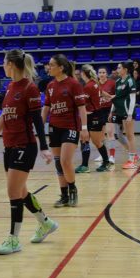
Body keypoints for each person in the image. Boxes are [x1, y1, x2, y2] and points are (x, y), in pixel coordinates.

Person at [0, 49, 58, 255]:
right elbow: (4, 115)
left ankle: (14, 240)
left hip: (24, 146)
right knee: (21, 192)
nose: (2, 66)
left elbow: (37, 121)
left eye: (3, 63)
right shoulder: (10, 87)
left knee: (13, 192)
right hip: (9, 145)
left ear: (11, 64)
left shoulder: (29, 88)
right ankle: (46, 223)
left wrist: (44, 147)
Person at [42, 54, 88, 207]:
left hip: (70, 127)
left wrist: (84, 128)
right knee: (58, 163)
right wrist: (40, 127)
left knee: (65, 160)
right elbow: (46, 108)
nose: (49, 67)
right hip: (54, 127)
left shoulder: (73, 84)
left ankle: (73, 189)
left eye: (52, 65)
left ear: (61, 68)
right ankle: (64, 196)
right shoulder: (50, 86)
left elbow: (82, 108)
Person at [75, 64, 113, 173]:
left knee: (97, 141)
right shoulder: (94, 83)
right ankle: (84, 165)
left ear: (83, 74)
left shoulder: (88, 86)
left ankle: (106, 163)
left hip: (94, 116)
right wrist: (110, 97)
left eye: (80, 73)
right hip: (91, 115)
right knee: (84, 139)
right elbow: (101, 93)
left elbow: (83, 103)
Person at [104, 62, 140, 169]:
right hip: (118, 111)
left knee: (130, 135)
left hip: (127, 112)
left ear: (125, 69)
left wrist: (130, 114)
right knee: (118, 135)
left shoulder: (130, 81)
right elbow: (116, 98)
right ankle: (133, 157)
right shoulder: (118, 81)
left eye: (119, 68)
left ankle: (132, 160)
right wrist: (111, 111)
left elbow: (133, 99)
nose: (117, 69)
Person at [95, 66, 118, 165]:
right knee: (100, 135)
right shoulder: (95, 84)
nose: (102, 74)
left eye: (103, 72)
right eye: (100, 72)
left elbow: (117, 95)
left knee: (110, 133)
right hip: (98, 110)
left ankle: (112, 156)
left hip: (109, 110)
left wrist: (110, 97)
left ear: (106, 74)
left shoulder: (112, 83)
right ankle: (103, 154)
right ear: (97, 74)